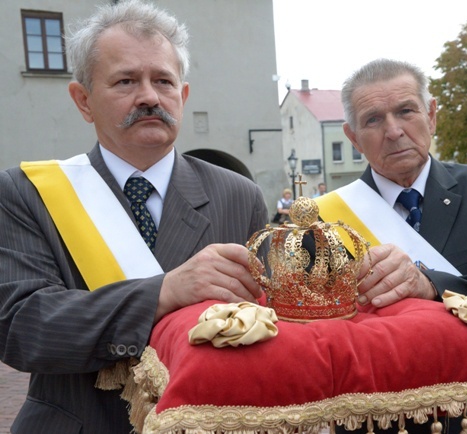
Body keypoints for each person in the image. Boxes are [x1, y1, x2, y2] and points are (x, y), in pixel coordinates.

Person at [0, 1, 267, 433]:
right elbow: (22, 327)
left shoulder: (239, 195)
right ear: (83, 100)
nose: (148, 96)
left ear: (182, 96)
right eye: (126, 81)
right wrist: (164, 291)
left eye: (163, 80)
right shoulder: (27, 193)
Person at [323, 58, 467, 434]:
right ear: (352, 136)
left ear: (431, 116)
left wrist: (431, 284)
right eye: (373, 120)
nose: (394, 130)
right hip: (374, 418)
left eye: (406, 111)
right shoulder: (326, 218)